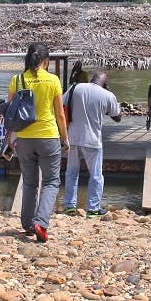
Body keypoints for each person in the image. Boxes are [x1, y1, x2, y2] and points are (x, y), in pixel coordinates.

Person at [8, 42, 69, 243]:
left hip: (24, 138)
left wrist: (9, 137)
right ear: (46, 61)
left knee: (30, 182)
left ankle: (27, 223)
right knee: (51, 182)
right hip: (48, 137)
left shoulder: (16, 80)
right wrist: (65, 138)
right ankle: (41, 222)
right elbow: (60, 114)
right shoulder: (52, 80)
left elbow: (9, 113)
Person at [63, 71, 122, 218]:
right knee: (96, 176)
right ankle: (93, 208)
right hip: (93, 141)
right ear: (105, 83)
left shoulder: (75, 88)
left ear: (91, 79)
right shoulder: (107, 95)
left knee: (71, 172)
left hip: (73, 138)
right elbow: (118, 117)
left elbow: (62, 105)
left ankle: (69, 206)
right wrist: (108, 95)